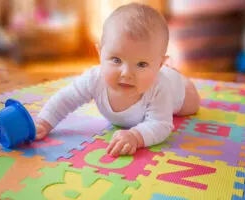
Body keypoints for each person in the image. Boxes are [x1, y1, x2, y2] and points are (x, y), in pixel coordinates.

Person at [34, 3, 201, 157]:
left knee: (192, 105)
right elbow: (66, 98)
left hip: (179, 90)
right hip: (159, 73)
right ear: (100, 55)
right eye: (116, 60)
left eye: (141, 64)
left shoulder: (159, 87)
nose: (126, 73)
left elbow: (161, 124)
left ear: (159, 65)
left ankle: (175, 75)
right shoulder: (94, 78)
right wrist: (44, 121)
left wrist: (135, 136)